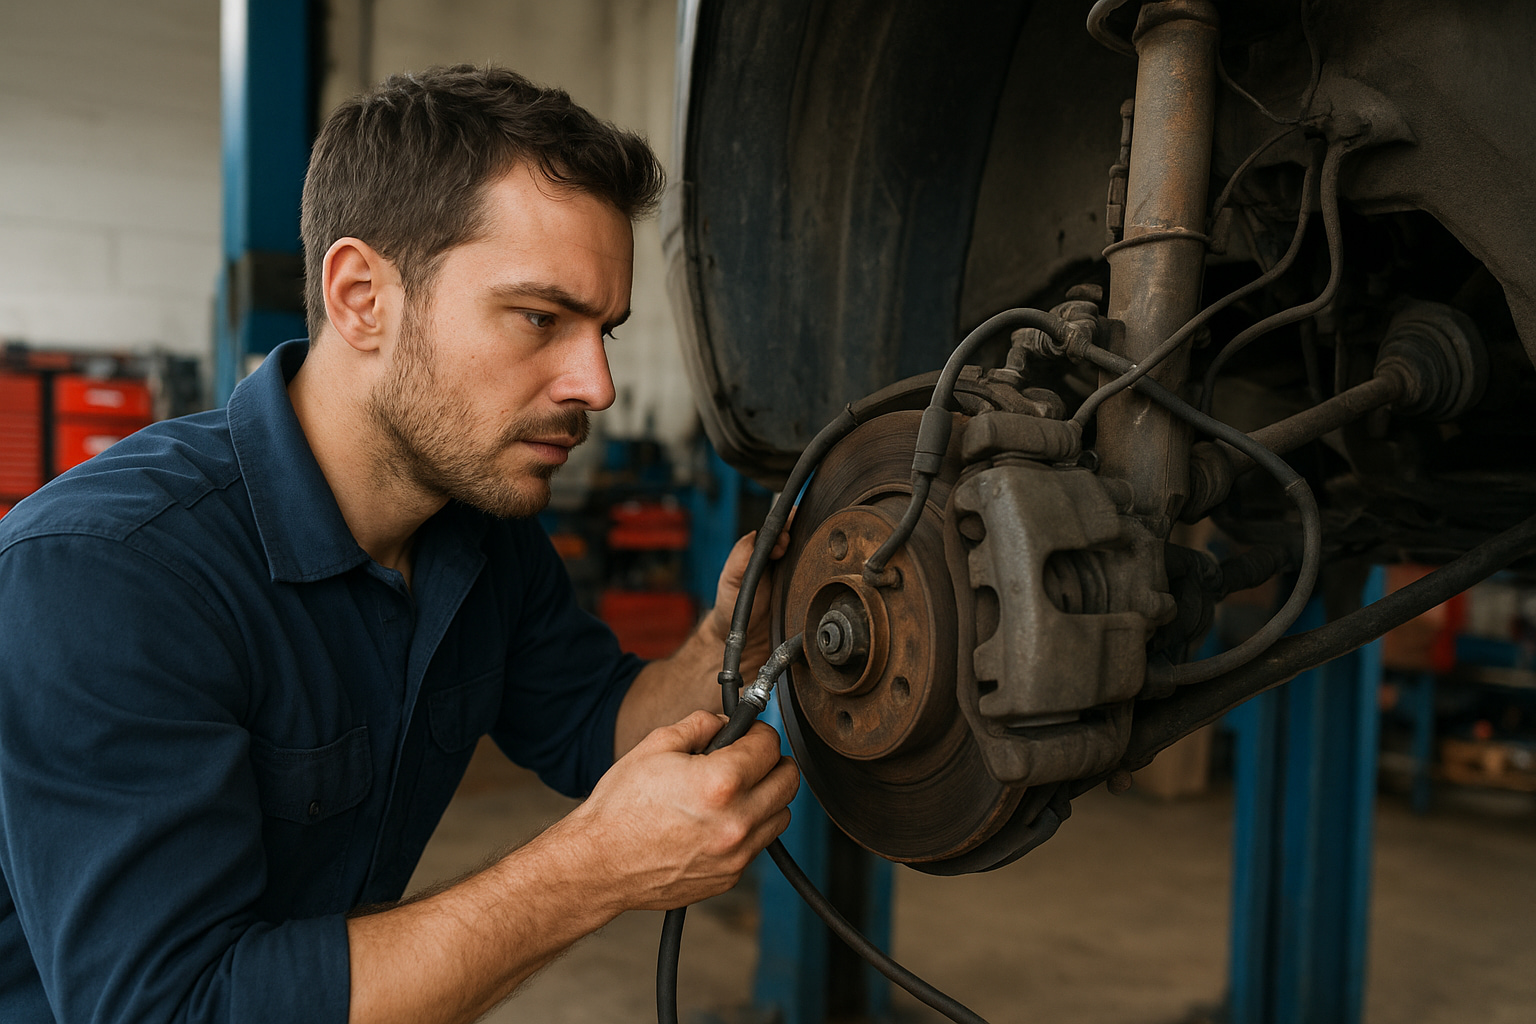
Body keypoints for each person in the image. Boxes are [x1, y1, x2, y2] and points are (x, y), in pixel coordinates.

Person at [0, 65, 799, 1024]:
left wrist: (728, 642)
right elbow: (175, 1008)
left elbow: (598, 725)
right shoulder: (106, 574)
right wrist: (589, 870)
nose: (595, 384)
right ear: (361, 296)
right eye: (541, 318)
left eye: (605, 333)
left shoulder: (475, 532)